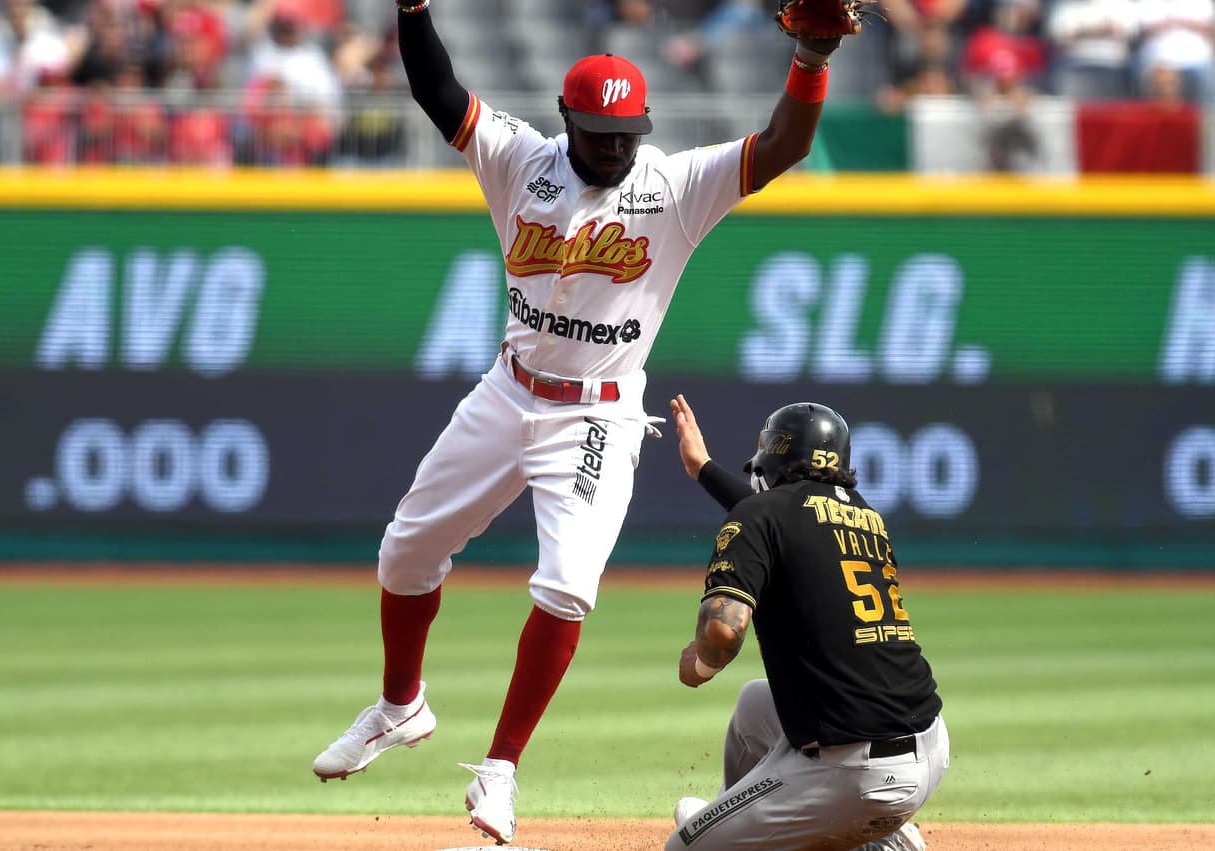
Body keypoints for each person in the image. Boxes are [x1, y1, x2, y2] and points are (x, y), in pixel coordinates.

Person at [311, 0, 857, 845]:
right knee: (406, 550)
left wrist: (811, 60)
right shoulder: (519, 160)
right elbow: (435, 87)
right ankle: (398, 706)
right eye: (600, 133)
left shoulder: (673, 188)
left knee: (567, 584)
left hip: (596, 416)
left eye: (627, 132)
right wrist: (413, 9)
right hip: (507, 389)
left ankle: (500, 770)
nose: (614, 146)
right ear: (566, 120)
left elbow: (783, 146)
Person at [664, 394, 949, 850]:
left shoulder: (762, 515)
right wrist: (703, 468)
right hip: (929, 747)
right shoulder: (866, 517)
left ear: (774, 456)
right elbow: (780, 516)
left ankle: (858, 840)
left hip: (857, 775)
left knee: (683, 848)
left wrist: (698, 665)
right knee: (755, 704)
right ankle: (865, 838)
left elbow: (722, 632)